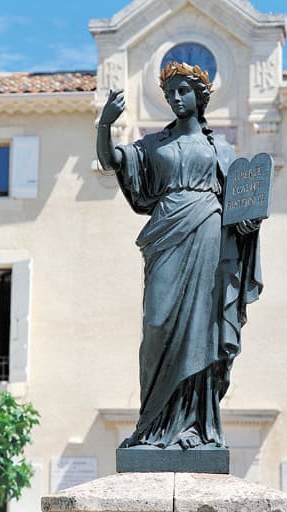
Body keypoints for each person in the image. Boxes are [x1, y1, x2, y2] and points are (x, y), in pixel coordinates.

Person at [96, 61, 263, 450]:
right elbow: (111, 161)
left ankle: (195, 427)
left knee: (201, 330)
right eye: (170, 92)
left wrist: (248, 225)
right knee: (156, 325)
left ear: (200, 96)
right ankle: (151, 427)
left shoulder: (220, 148)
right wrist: (105, 125)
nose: (175, 98)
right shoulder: (154, 145)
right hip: (166, 235)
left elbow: (239, 207)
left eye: (183, 90)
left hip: (209, 235)